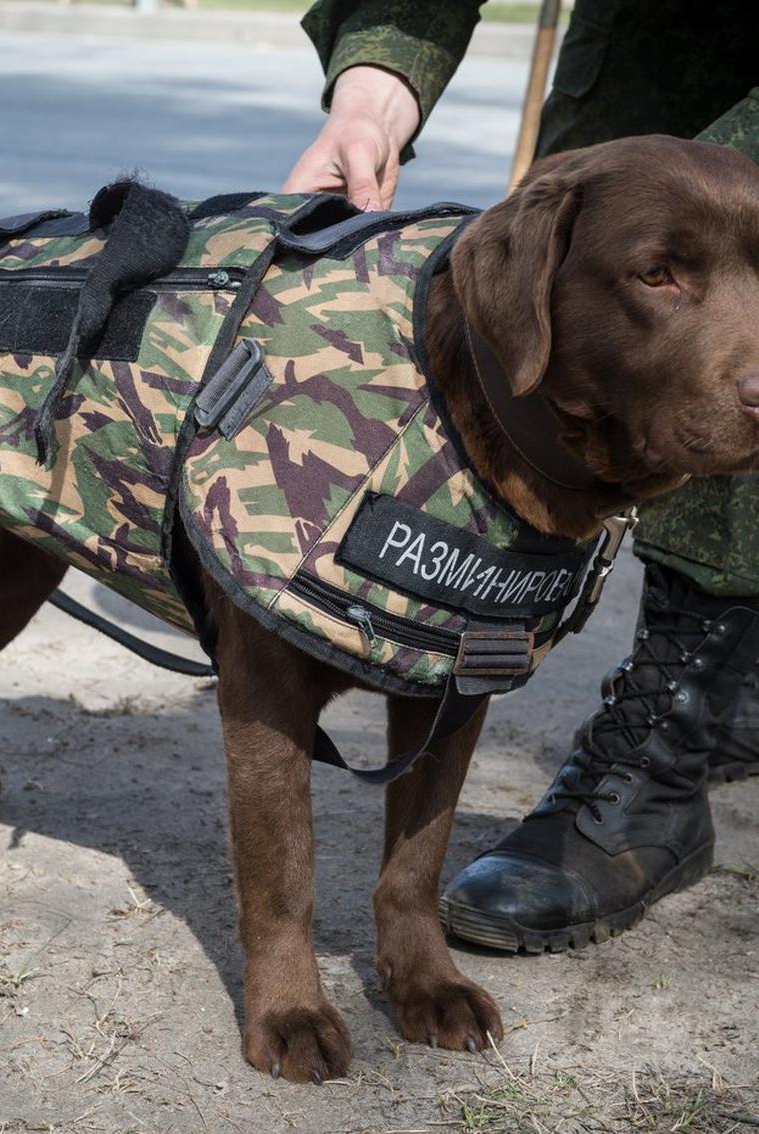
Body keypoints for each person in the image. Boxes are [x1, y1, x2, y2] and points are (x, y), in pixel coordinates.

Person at [284, 0, 759, 952]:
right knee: (576, 311)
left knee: (720, 300)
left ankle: (665, 760)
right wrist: (380, 85)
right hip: (652, 40)